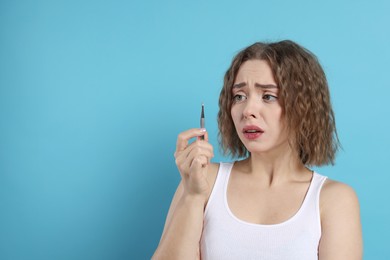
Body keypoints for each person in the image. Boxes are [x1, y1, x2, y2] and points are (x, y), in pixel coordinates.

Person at [152, 40, 362, 259]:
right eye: (239, 96)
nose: (247, 110)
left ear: (303, 107)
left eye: (268, 96)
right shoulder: (203, 181)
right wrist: (193, 197)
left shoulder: (334, 199)